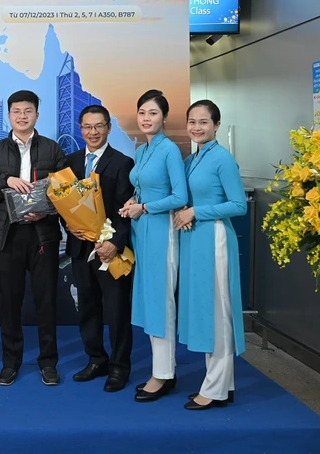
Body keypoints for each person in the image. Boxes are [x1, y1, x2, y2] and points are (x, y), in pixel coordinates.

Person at [0, 90, 66, 386]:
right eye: (16, 111)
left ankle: (48, 362)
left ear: (37, 115)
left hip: (43, 235)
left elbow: (66, 192)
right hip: (7, 235)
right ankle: (11, 362)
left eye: (28, 111)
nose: (22, 116)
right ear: (9, 116)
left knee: (46, 301)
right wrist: (6, 180)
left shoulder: (52, 149)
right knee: (10, 303)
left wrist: (46, 211)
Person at [174, 100, 246, 410]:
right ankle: (222, 385)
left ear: (217, 125)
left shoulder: (222, 159)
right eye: (192, 121)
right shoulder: (193, 159)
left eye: (204, 122)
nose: (197, 127)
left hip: (214, 238)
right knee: (206, 311)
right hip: (195, 240)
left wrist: (195, 211)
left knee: (217, 313)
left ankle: (215, 388)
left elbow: (239, 205)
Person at [119, 89, 187, 403]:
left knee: (161, 302)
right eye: (142, 112)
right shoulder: (143, 150)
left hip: (162, 232)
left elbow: (180, 197)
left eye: (153, 113)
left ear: (164, 117)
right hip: (143, 232)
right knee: (149, 301)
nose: (146, 119)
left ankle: (164, 375)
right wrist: (133, 201)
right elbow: (143, 187)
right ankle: (161, 370)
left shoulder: (169, 150)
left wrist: (144, 208)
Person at [63, 105, 134, 393]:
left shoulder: (123, 163)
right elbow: (64, 203)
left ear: (108, 128)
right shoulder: (69, 163)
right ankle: (96, 359)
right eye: (87, 127)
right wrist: (68, 225)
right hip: (80, 249)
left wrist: (114, 243)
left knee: (117, 311)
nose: (93, 132)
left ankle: (119, 367)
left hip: (111, 251)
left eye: (99, 126)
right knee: (87, 308)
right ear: (80, 129)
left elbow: (127, 210)